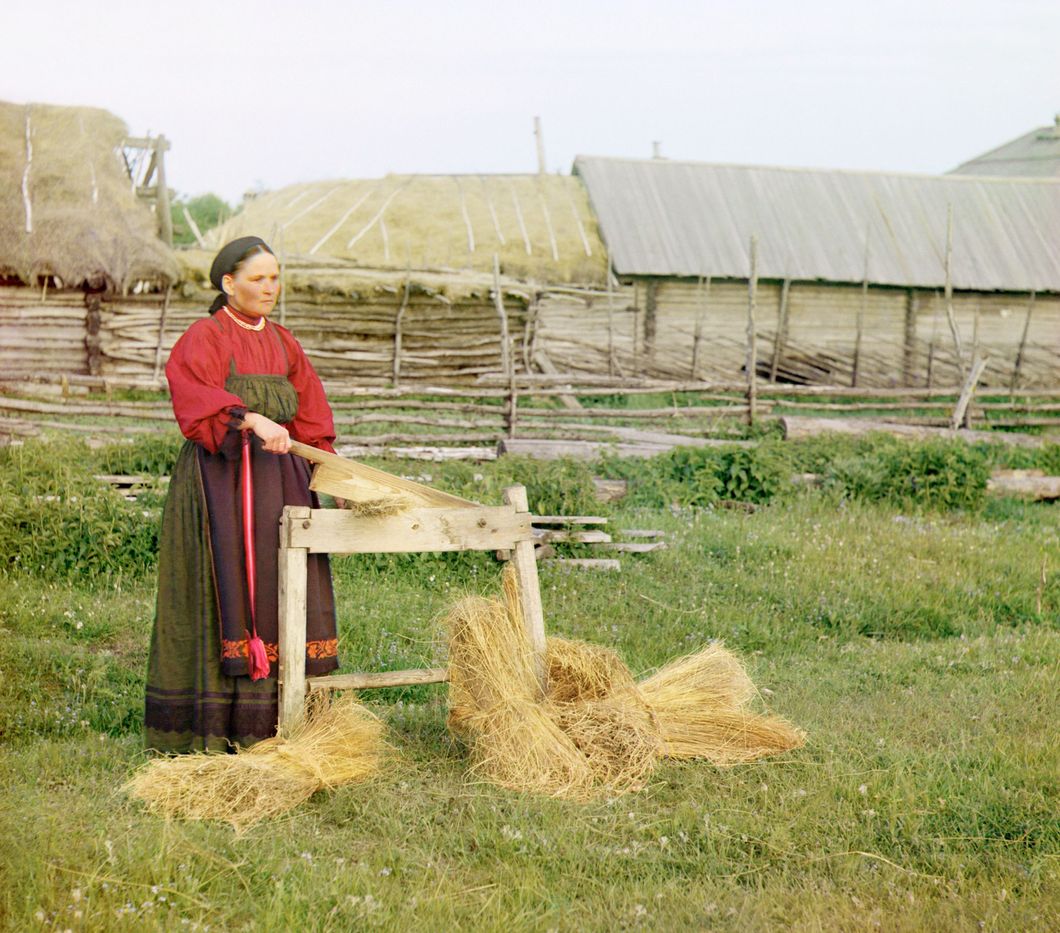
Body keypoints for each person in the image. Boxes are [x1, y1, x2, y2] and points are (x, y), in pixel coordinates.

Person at [144, 236, 339, 753]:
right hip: (223, 487)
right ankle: (220, 728)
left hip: (282, 485)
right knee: (230, 585)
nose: (269, 288)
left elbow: (312, 415)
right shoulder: (204, 336)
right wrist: (250, 417)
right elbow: (195, 400)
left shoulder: (283, 343)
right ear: (228, 283)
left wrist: (331, 468)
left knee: (285, 585)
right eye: (258, 278)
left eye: (275, 277)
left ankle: (288, 725)